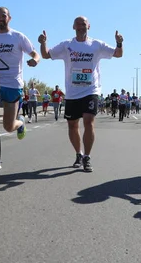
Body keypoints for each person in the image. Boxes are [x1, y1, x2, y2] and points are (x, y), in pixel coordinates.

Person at [39, 16, 123, 172]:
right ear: (73, 27)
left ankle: (87, 157)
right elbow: (45, 55)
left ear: (88, 26)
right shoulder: (66, 45)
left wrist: (119, 42)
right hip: (72, 92)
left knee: (88, 121)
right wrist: (43, 42)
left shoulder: (96, 45)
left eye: (83, 24)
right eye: (78, 24)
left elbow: (118, 54)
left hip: (91, 90)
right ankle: (79, 153)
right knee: (72, 125)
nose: (80, 26)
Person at [0, 7, 40, 140]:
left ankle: (20, 121)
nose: (0, 19)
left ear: (9, 18)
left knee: (8, 126)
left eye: (3, 16)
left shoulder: (18, 36)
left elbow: (35, 53)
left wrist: (35, 60)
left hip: (13, 84)